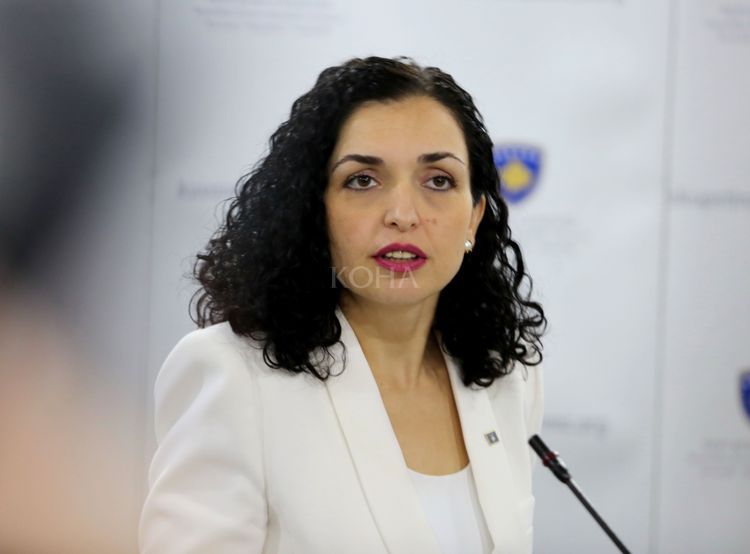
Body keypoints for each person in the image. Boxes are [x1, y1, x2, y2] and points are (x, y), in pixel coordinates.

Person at [139, 56, 546, 554]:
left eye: (438, 180)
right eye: (363, 180)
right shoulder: (232, 375)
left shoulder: (509, 375)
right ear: (315, 210)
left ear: (474, 217)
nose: (402, 215)